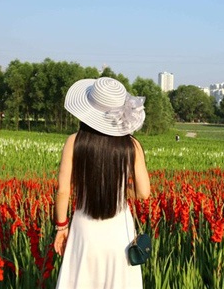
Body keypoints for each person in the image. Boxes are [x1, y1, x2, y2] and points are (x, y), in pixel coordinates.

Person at [53, 77, 151, 289]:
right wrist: (119, 190)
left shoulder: (74, 141)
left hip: (84, 227)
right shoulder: (131, 145)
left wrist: (61, 227)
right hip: (119, 230)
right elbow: (143, 192)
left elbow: (63, 192)